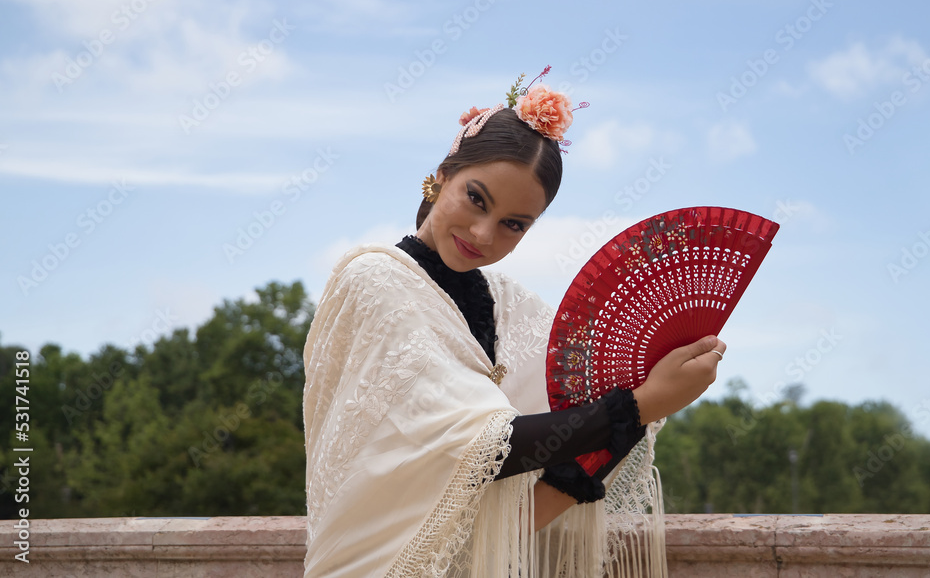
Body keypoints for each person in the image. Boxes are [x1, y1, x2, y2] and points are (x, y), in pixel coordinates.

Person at [302, 69, 726, 578]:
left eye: (513, 224)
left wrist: (643, 397)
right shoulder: (373, 279)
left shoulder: (510, 306)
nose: (483, 233)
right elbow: (482, 450)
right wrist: (641, 404)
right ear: (442, 175)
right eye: (475, 198)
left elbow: (527, 490)